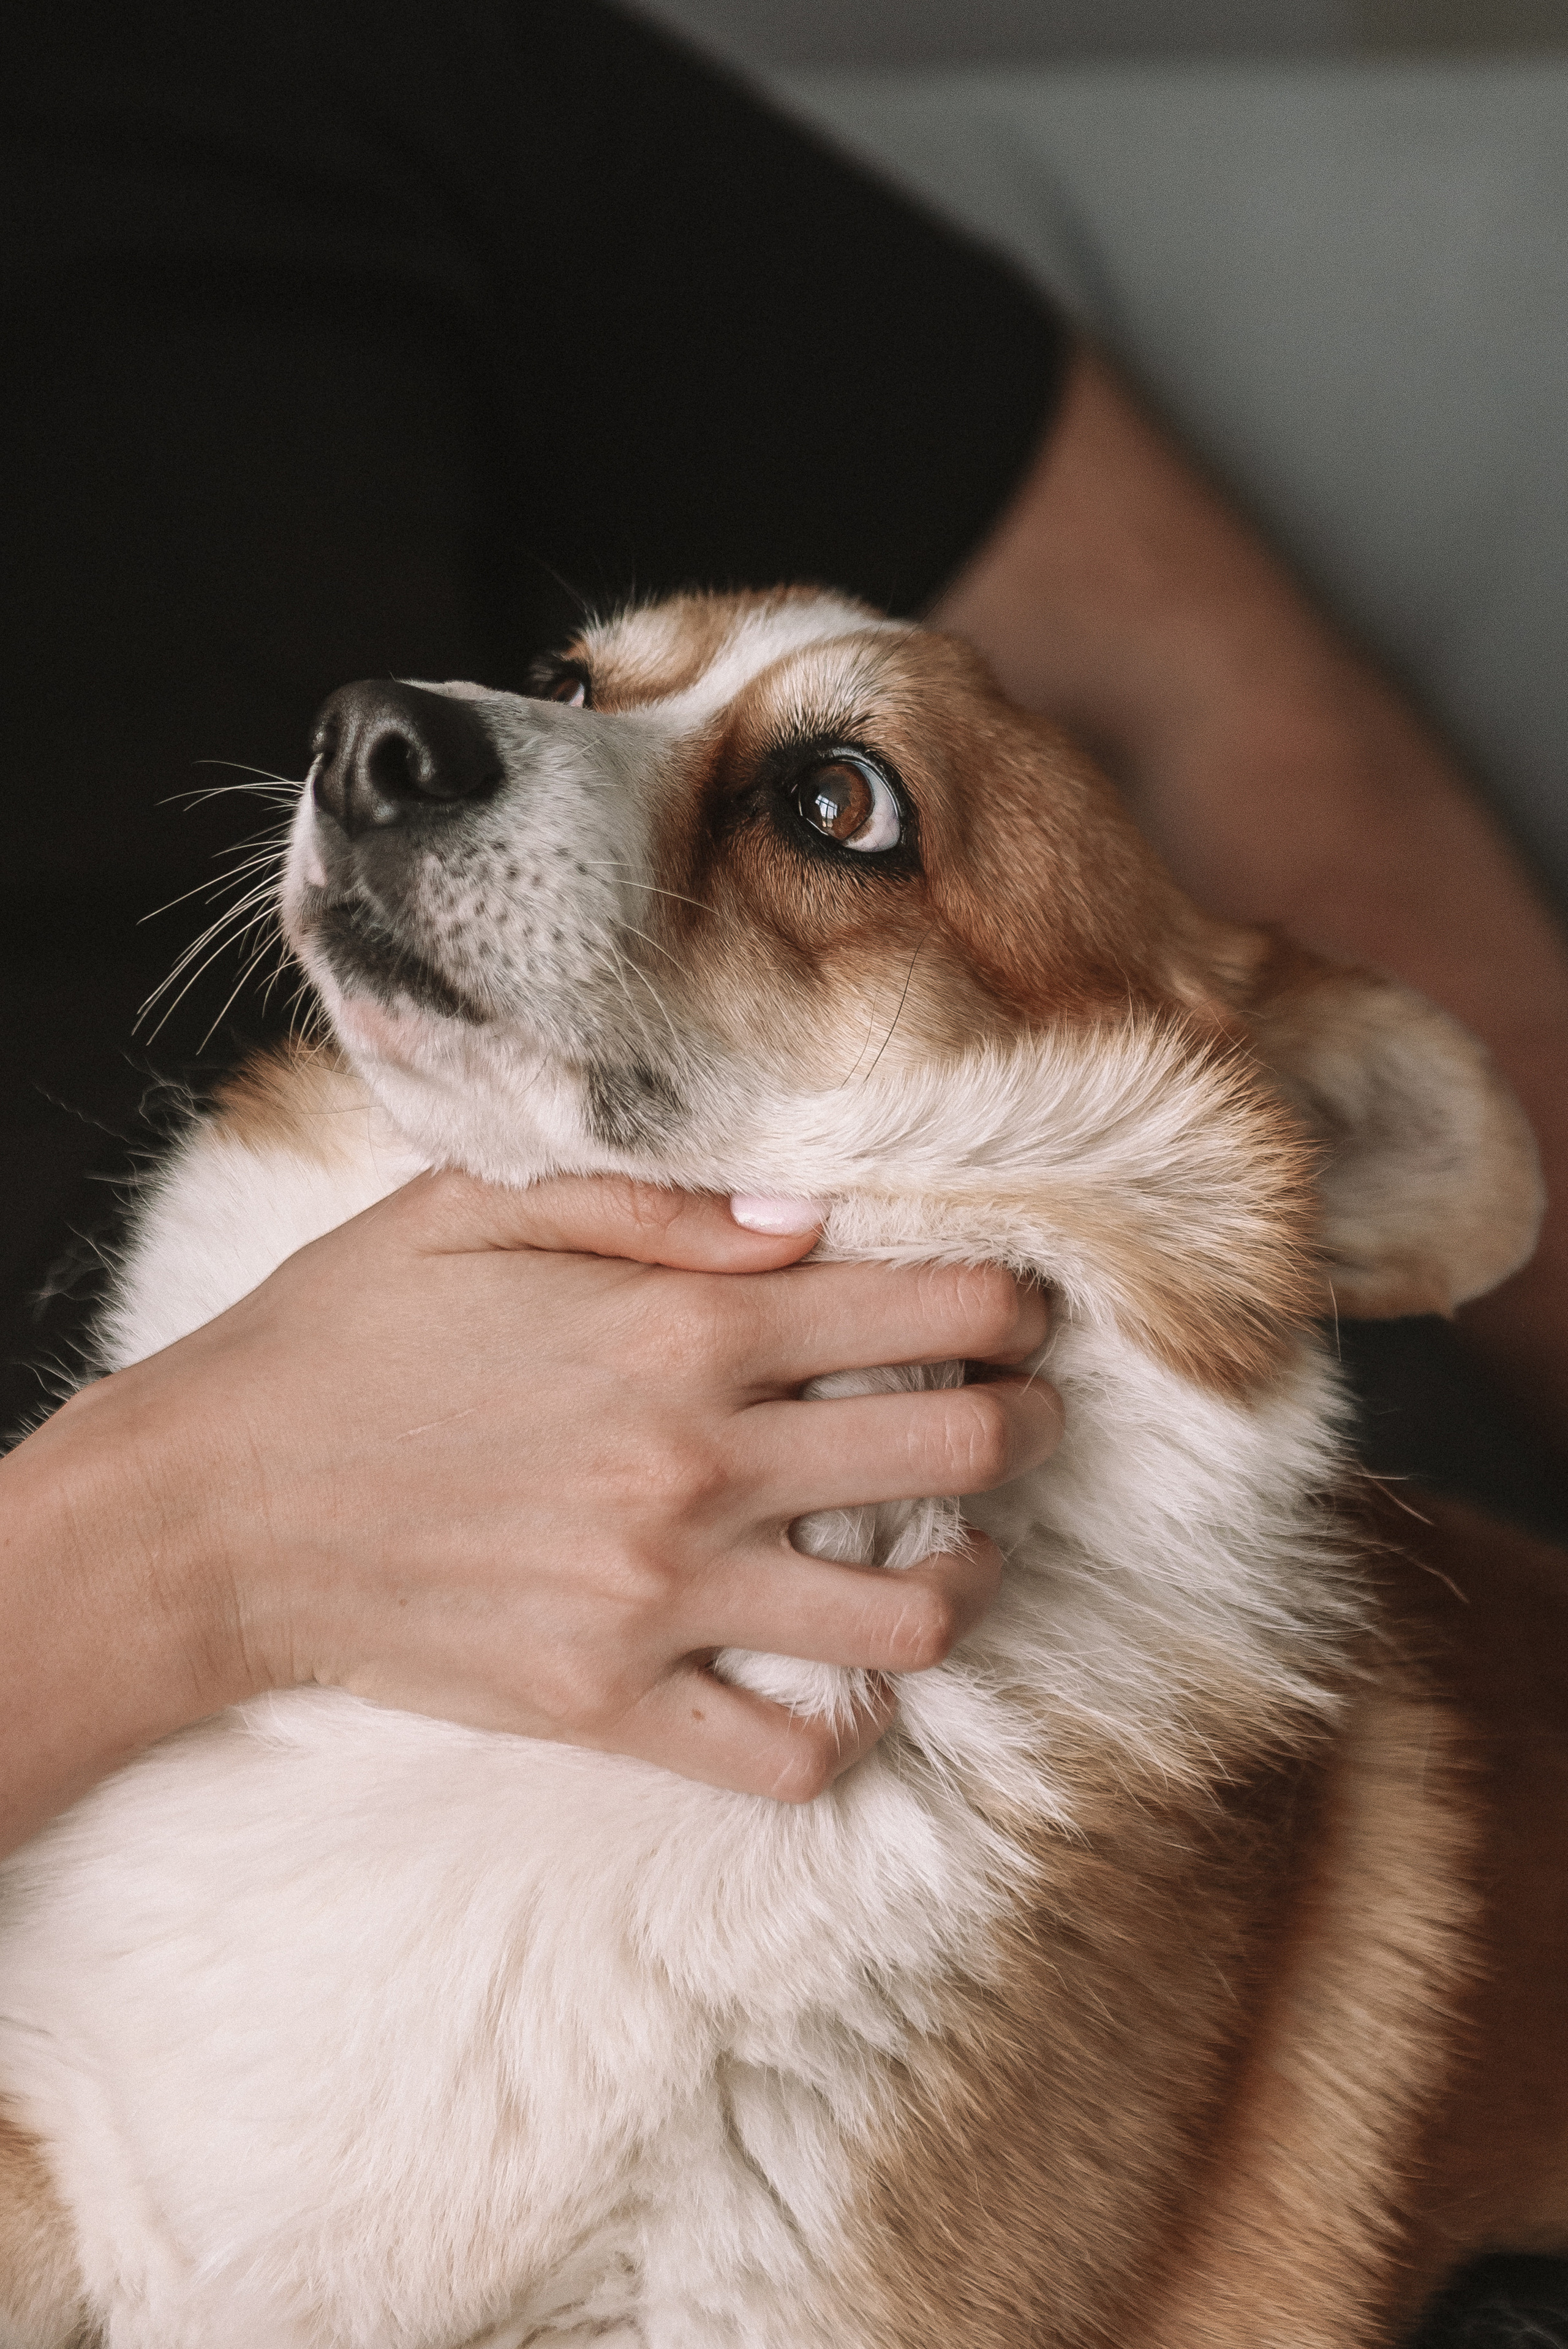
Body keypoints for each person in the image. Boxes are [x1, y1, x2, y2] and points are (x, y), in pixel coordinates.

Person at [4, 0, 1568, 1984]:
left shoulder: (301, 64)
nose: (414, 740)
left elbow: (1212, 700)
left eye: (821, 796)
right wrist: (178, 1543)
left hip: (1148, 1480)